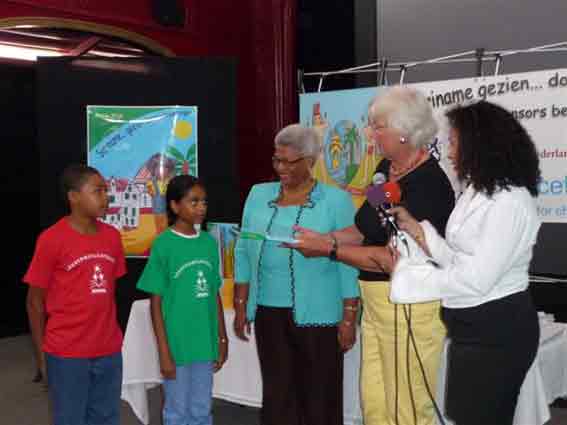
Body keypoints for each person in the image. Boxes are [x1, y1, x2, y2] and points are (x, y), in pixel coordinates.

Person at [290, 86, 455, 425]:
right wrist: (325, 237)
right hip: (376, 304)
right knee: (375, 403)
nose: (371, 134)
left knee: (408, 408)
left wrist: (331, 250)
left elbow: (392, 258)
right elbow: (366, 225)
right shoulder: (385, 168)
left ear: (406, 133)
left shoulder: (429, 186)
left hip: (412, 307)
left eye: (379, 127)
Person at [389, 101, 541, 425]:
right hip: (470, 331)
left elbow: (476, 278)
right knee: (465, 415)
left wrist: (408, 279)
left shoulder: (509, 202)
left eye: (454, 141)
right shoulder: (475, 191)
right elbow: (457, 258)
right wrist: (418, 232)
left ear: (479, 145)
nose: (448, 149)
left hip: (498, 333)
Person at [233, 124, 360, 425]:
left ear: (311, 160)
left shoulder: (336, 200)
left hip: (321, 315)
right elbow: (242, 250)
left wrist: (349, 316)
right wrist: (241, 305)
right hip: (269, 313)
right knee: (278, 398)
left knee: (319, 399)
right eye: (277, 160)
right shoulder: (258, 194)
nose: (281, 168)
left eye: (290, 162)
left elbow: (347, 260)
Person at [24, 164, 127, 425]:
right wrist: (41, 358)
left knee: (106, 418)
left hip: (109, 350)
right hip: (67, 353)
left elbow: (109, 293)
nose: (106, 197)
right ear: (74, 196)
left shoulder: (113, 237)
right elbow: (35, 303)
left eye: (106, 191)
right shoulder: (51, 239)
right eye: (98, 191)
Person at [137, 175, 228, 425]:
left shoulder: (209, 244)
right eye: (194, 201)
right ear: (175, 206)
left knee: (201, 408)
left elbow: (214, 293)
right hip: (177, 345)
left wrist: (222, 337)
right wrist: (164, 351)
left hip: (204, 342)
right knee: (176, 411)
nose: (201, 207)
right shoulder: (164, 245)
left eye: (204, 202)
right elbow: (155, 304)